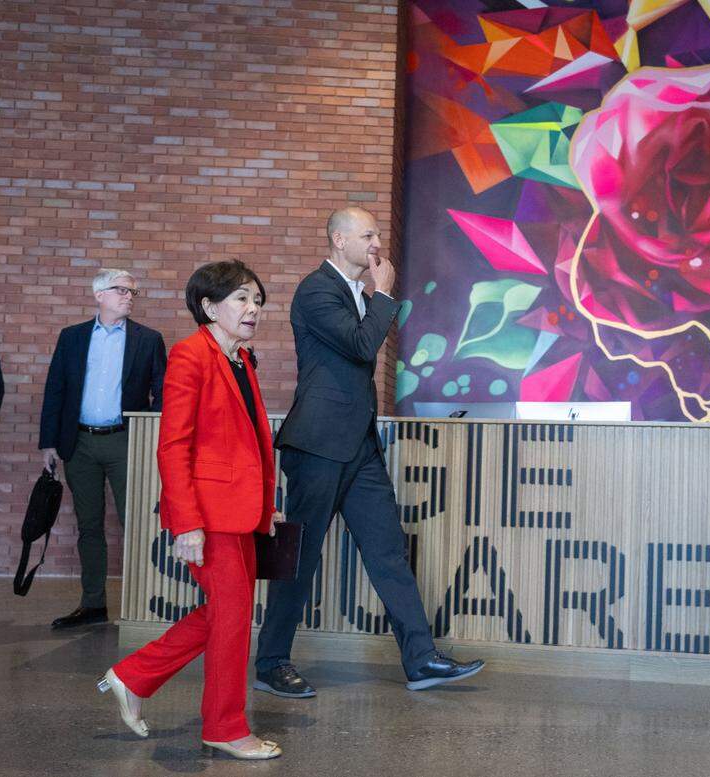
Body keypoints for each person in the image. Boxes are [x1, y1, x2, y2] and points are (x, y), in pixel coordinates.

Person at [255, 206, 483, 697]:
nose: (377, 243)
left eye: (378, 234)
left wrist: (373, 297)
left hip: (359, 447)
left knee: (388, 553)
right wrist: (383, 295)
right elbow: (361, 347)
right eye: (368, 235)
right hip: (317, 446)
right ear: (339, 240)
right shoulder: (316, 289)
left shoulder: (357, 294)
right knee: (300, 560)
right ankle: (271, 661)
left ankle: (421, 659)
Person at [98, 260, 284, 759]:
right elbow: (173, 446)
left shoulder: (241, 360)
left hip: (240, 512)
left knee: (230, 612)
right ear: (208, 306)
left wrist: (267, 506)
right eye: (242, 299)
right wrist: (188, 524)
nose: (253, 309)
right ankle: (224, 727)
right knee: (232, 615)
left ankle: (133, 676)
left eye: (258, 301)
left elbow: (249, 445)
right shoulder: (190, 355)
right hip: (209, 514)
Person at [39, 268, 166, 628]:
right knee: (89, 525)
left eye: (132, 292)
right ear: (99, 295)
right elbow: (56, 390)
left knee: (137, 523)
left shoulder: (148, 339)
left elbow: (164, 392)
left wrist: (150, 435)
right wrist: (48, 442)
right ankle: (93, 604)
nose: (128, 296)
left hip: (126, 441)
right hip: (78, 443)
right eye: (121, 290)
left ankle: (143, 604)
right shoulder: (72, 337)